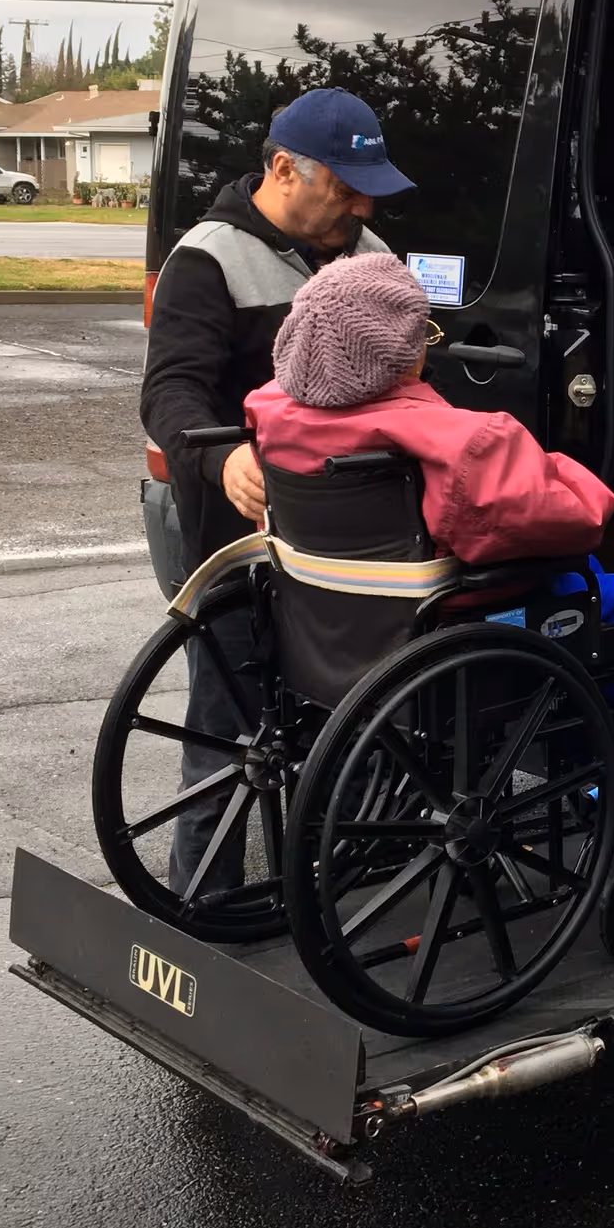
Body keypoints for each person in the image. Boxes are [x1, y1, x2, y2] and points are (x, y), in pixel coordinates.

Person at [245, 251, 614, 842]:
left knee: (580, 577)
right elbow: (576, 518)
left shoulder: (272, 413)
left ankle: (601, 770)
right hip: (441, 630)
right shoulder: (459, 441)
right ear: (404, 356)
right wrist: (552, 467)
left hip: (329, 621)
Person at [140, 87, 410, 895]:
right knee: (227, 726)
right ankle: (206, 898)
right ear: (284, 169)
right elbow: (169, 392)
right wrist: (221, 460)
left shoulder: (368, 250)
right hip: (236, 529)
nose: (361, 204)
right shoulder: (209, 258)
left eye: (369, 188)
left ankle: (345, 886)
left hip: (345, 534)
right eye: (346, 186)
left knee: (350, 715)